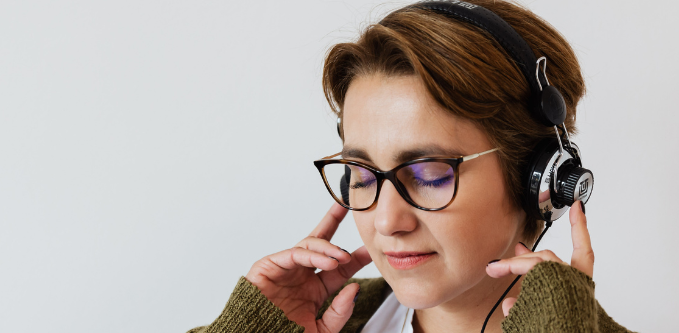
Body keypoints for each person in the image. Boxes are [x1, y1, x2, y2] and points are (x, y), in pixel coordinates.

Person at [188, 1, 633, 332]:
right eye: (361, 176)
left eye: (428, 175)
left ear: (537, 181)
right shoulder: (308, 322)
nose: (386, 221)